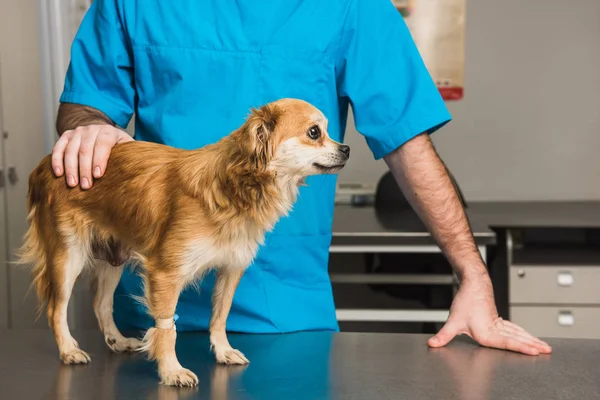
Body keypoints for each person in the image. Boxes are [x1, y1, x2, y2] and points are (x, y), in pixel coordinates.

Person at [52, 0, 551, 356]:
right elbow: (85, 104)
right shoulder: (131, 3)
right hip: (154, 312)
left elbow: (408, 145)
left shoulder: (354, 7)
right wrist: (89, 127)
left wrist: (473, 275)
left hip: (286, 317)